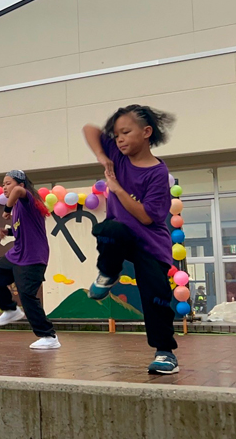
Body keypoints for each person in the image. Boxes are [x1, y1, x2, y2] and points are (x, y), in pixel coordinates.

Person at [83, 104, 179, 374]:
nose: (120, 139)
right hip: (122, 236)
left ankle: (165, 354)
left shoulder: (157, 173)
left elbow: (147, 217)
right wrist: (103, 157)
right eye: (116, 135)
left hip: (151, 244)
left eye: (126, 132)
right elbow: (89, 129)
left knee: (156, 296)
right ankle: (108, 273)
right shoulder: (117, 155)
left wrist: (117, 189)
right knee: (108, 230)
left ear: (146, 132)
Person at [0, 170, 57, 349]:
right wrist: (8, 231)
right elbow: (21, 230)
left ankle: (49, 336)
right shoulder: (18, 208)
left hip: (33, 258)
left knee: (27, 295)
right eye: (3, 184)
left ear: (22, 184)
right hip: (16, 256)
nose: (4, 187)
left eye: (8, 183)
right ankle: (10, 309)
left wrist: (6, 210)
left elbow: (17, 192)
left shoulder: (28, 199)